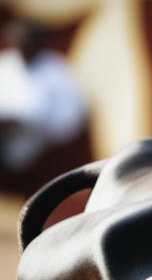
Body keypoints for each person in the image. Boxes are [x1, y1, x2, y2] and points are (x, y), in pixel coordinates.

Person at [0, 17, 88, 175]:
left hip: (42, 156)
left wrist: (29, 124)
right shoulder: (5, 65)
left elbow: (71, 121)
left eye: (26, 39)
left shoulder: (58, 71)